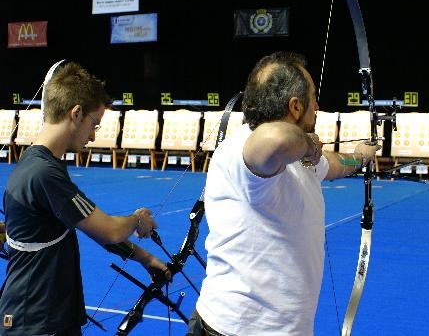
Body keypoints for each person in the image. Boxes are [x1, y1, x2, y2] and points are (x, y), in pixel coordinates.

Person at [187, 51, 381, 336]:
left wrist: (360, 157)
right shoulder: (246, 150)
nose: (317, 105)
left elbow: (337, 165)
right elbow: (275, 138)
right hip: (235, 329)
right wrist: (308, 144)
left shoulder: (297, 156)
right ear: (295, 106)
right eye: (313, 98)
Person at [0, 61, 171, 336]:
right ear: (76, 113)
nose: (93, 135)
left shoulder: (44, 165)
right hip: (35, 321)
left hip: (47, 318)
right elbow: (111, 230)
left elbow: (95, 230)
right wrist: (138, 219)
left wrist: (145, 258)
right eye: (95, 124)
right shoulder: (44, 173)